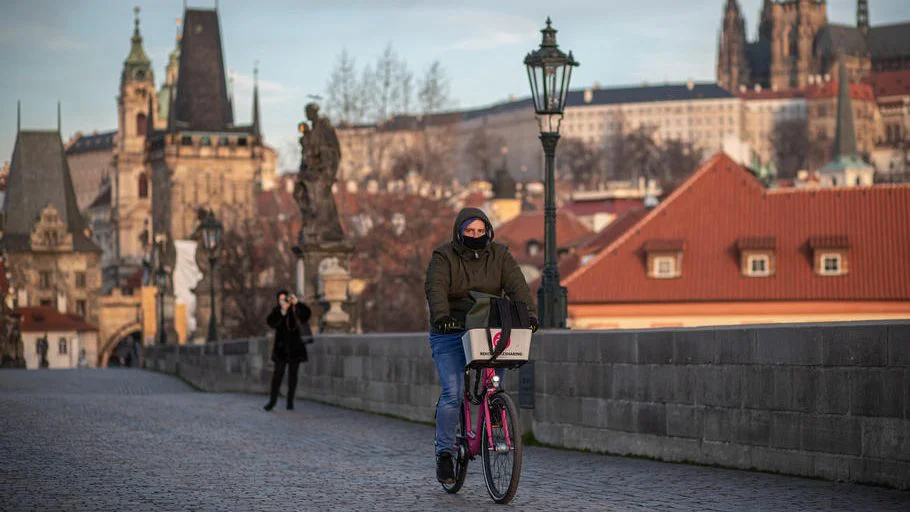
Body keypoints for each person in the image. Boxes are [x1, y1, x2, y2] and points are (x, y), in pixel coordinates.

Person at [424, 207, 538, 485]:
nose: (475, 236)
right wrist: (441, 318)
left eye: (480, 231)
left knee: (494, 385)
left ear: (488, 231)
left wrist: (529, 314)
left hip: (488, 329)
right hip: (451, 330)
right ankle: (446, 455)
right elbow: (435, 288)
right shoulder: (443, 257)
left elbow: (517, 287)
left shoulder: (500, 255)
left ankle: (496, 418)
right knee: (453, 392)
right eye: (469, 231)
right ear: (459, 232)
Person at [264, 289, 312, 411]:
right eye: (280, 300)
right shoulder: (277, 311)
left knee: (293, 376)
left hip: (295, 347)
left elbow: (306, 316)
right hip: (281, 348)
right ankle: (272, 401)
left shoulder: (295, 309)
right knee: (277, 375)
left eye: (284, 299)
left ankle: (290, 401)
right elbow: (271, 322)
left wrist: (297, 303)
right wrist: (282, 312)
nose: (282, 302)